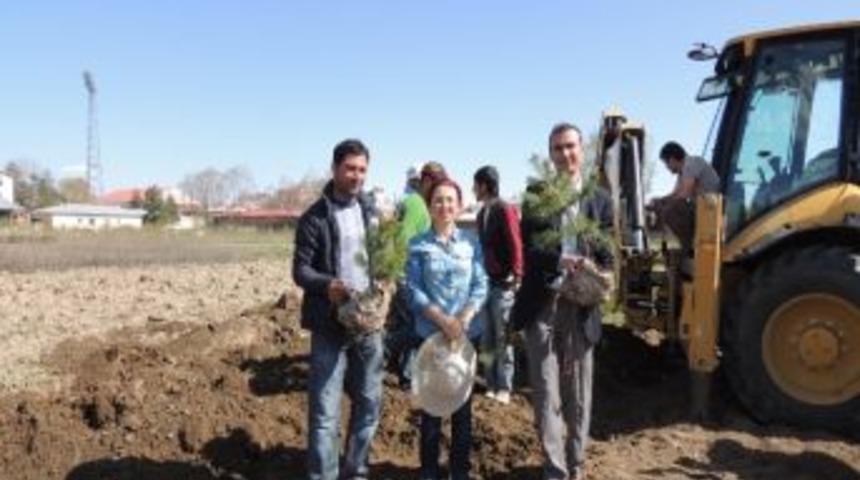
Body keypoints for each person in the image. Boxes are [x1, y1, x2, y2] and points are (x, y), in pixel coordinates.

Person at [511, 123, 614, 480]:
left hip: (581, 307)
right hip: (543, 304)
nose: (564, 154)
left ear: (581, 149)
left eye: (570, 146)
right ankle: (555, 471)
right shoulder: (538, 193)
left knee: (579, 394)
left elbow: (607, 251)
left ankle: (576, 465)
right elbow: (531, 248)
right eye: (557, 148)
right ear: (550, 154)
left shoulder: (599, 198)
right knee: (545, 393)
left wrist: (605, 272)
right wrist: (561, 261)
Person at [292, 138, 383, 480]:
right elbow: (300, 270)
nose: (357, 176)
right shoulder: (314, 218)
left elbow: (381, 261)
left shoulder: (370, 212)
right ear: (334, 169)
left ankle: (355, 471)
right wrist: (326, 285)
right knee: (325, 413)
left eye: (362, 169)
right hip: (329, 325)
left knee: (370, 403)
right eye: (350, 168)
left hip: (368, 325)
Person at [406, 177, 488, 480]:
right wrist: (443, 321)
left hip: (465, 338)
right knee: (430, 409)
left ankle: (459, 471)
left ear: (459, 204)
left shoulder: (471, 243)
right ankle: (428, 471)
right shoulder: (418, 245)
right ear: (429, 205)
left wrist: (464, 318)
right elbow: (413, 290)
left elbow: (480, 285)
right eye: (438, 200)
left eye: (450, 200)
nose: (444, 206)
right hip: (430, 337)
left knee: (462, 409)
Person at [385, 162, 448, 389]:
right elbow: (404, 240)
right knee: (414, 327)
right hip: (409, 275)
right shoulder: (416, 204)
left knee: (410, 324)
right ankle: (389, 358)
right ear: (426, 181)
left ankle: (404, 371)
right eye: (437, 184)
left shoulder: (416, 203)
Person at [472, 165, 523, 404]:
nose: (473, 189)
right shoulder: (481, 214)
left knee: (504, 337)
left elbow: (515, 241)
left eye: (475, 184)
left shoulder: (505, 209)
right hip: (486, 283)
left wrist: (517, 273)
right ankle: (490, 383)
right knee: (487, 338)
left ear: (484, 185)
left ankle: (505, 386)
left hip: (504, 284)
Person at [647, 141, 720, 253]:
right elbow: (675, 194)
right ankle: (687, 244)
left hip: (711, 208)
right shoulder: (682, 173)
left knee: (672, 210)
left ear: (671, 159)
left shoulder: (691, 164)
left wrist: (663, 206)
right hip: (702, 207)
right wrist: (658, 201)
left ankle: (688, 247)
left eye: (666, 164)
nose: (667, 167)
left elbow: (685, 193)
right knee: (665, 206)